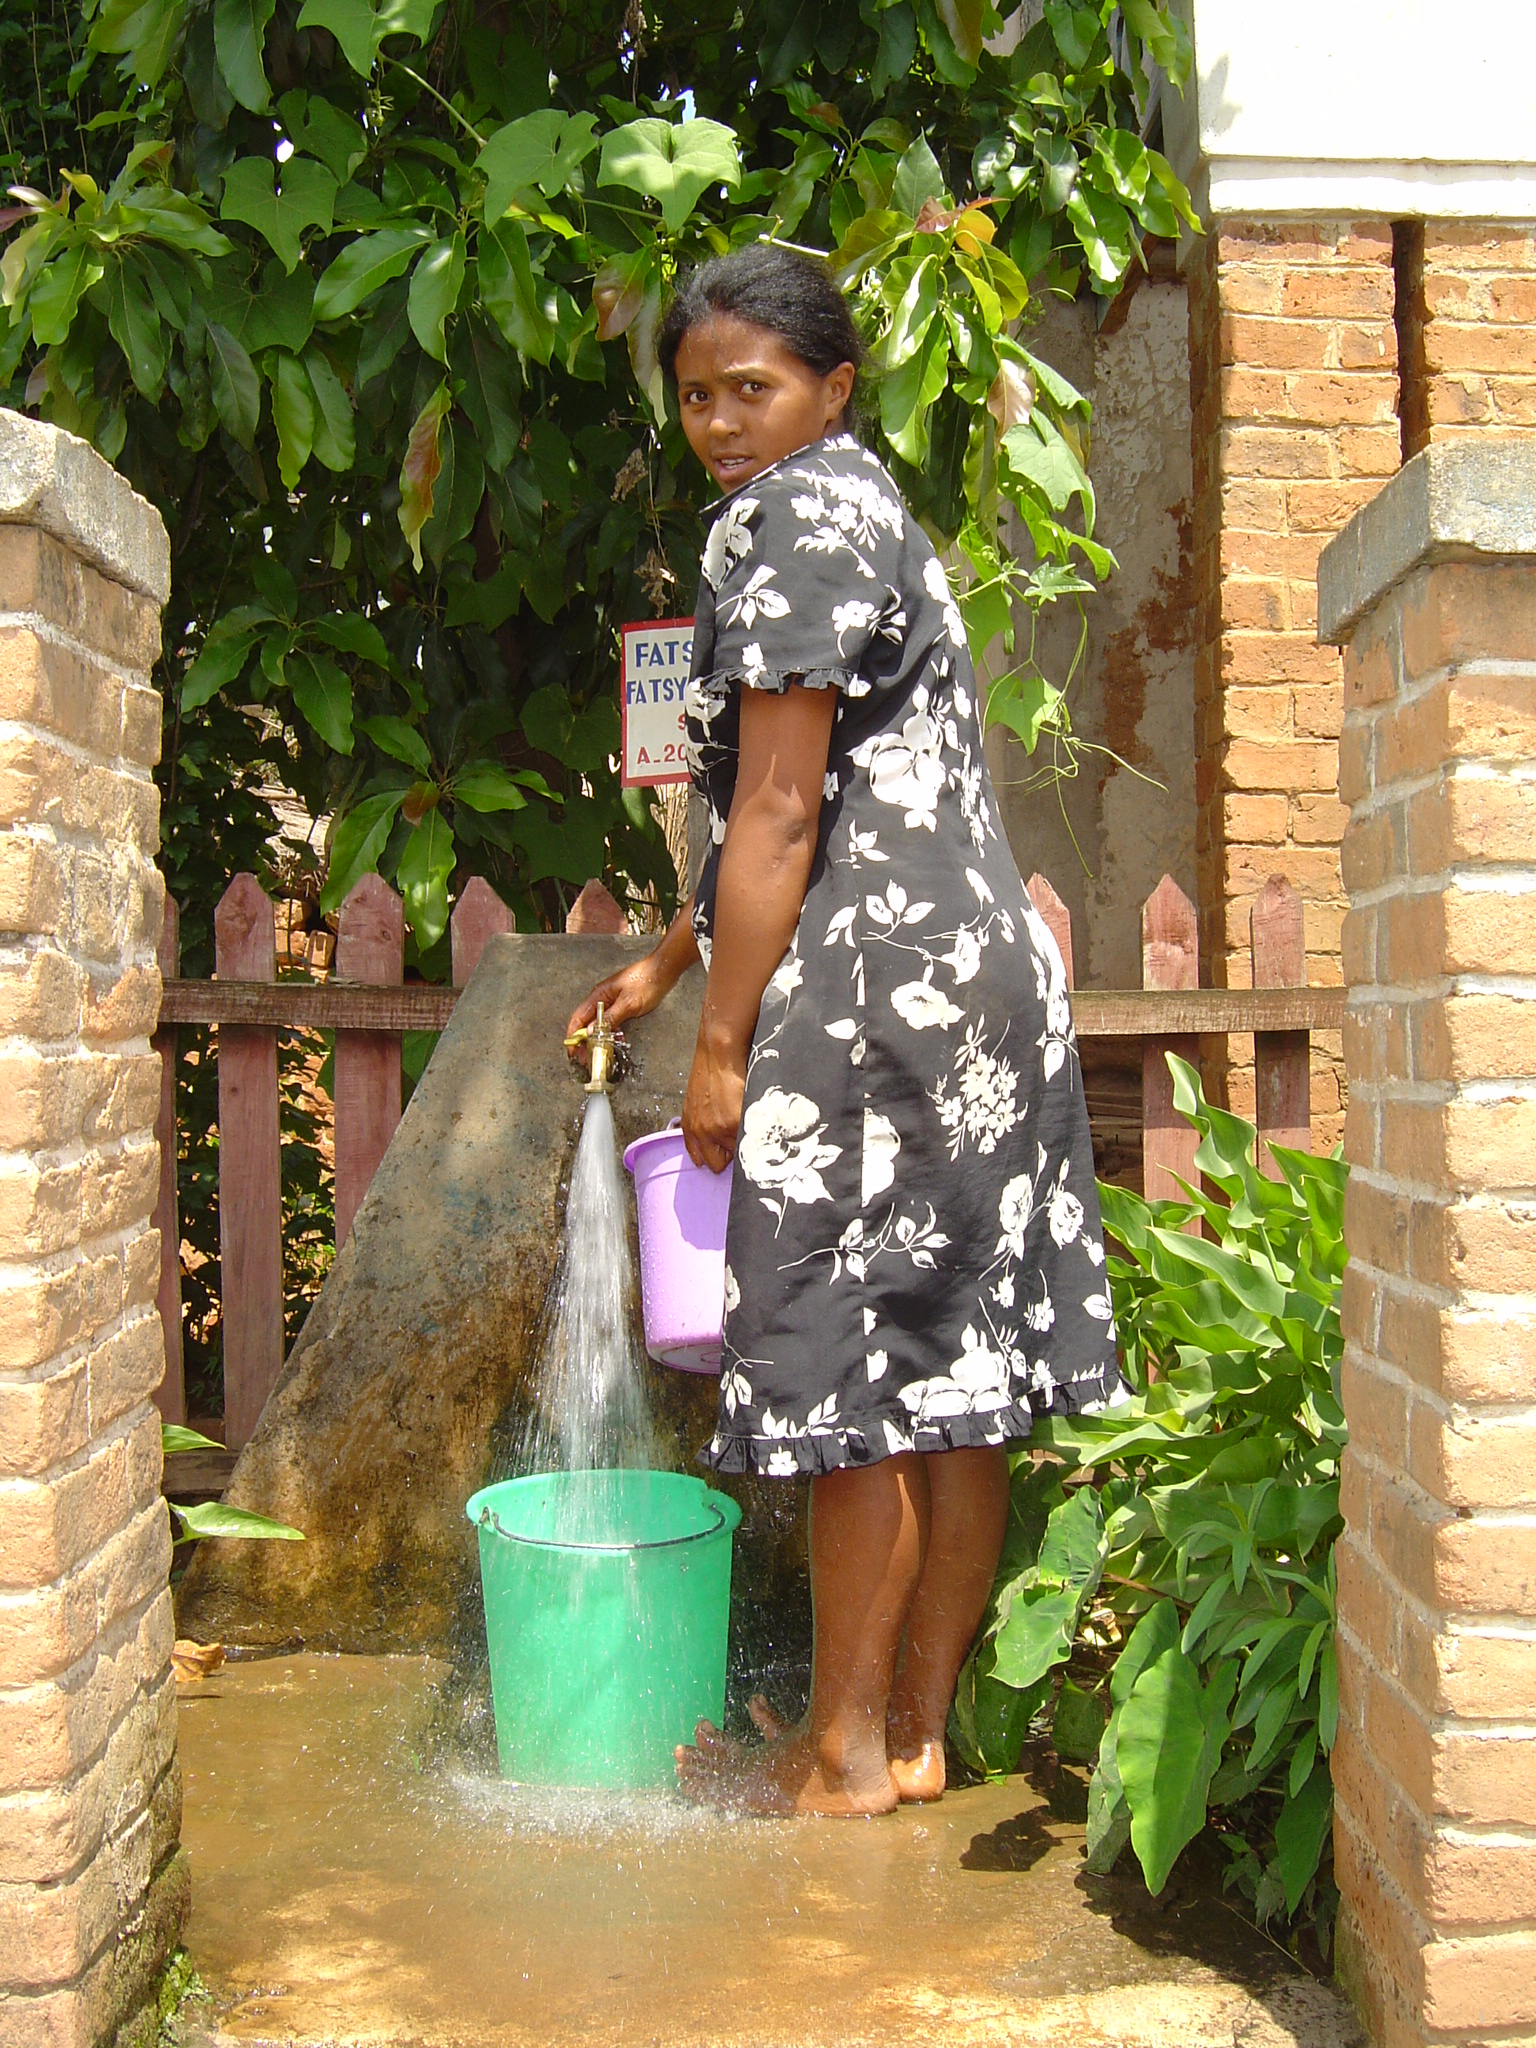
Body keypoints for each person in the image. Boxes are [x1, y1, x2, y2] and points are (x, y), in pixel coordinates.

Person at [567, 245, 1120, 1816]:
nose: (719, 425)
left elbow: (781, 809)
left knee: (851, 1371)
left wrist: (721, 1044)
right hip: (974, 979)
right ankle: (915, 1736)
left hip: (874, 998)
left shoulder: (787, 519)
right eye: (696, 397)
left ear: (833, 389)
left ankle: (838, 1756)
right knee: (949, 1361)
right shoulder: (871, 507)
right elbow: (860, 786)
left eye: (752, 389)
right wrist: (671, 959)